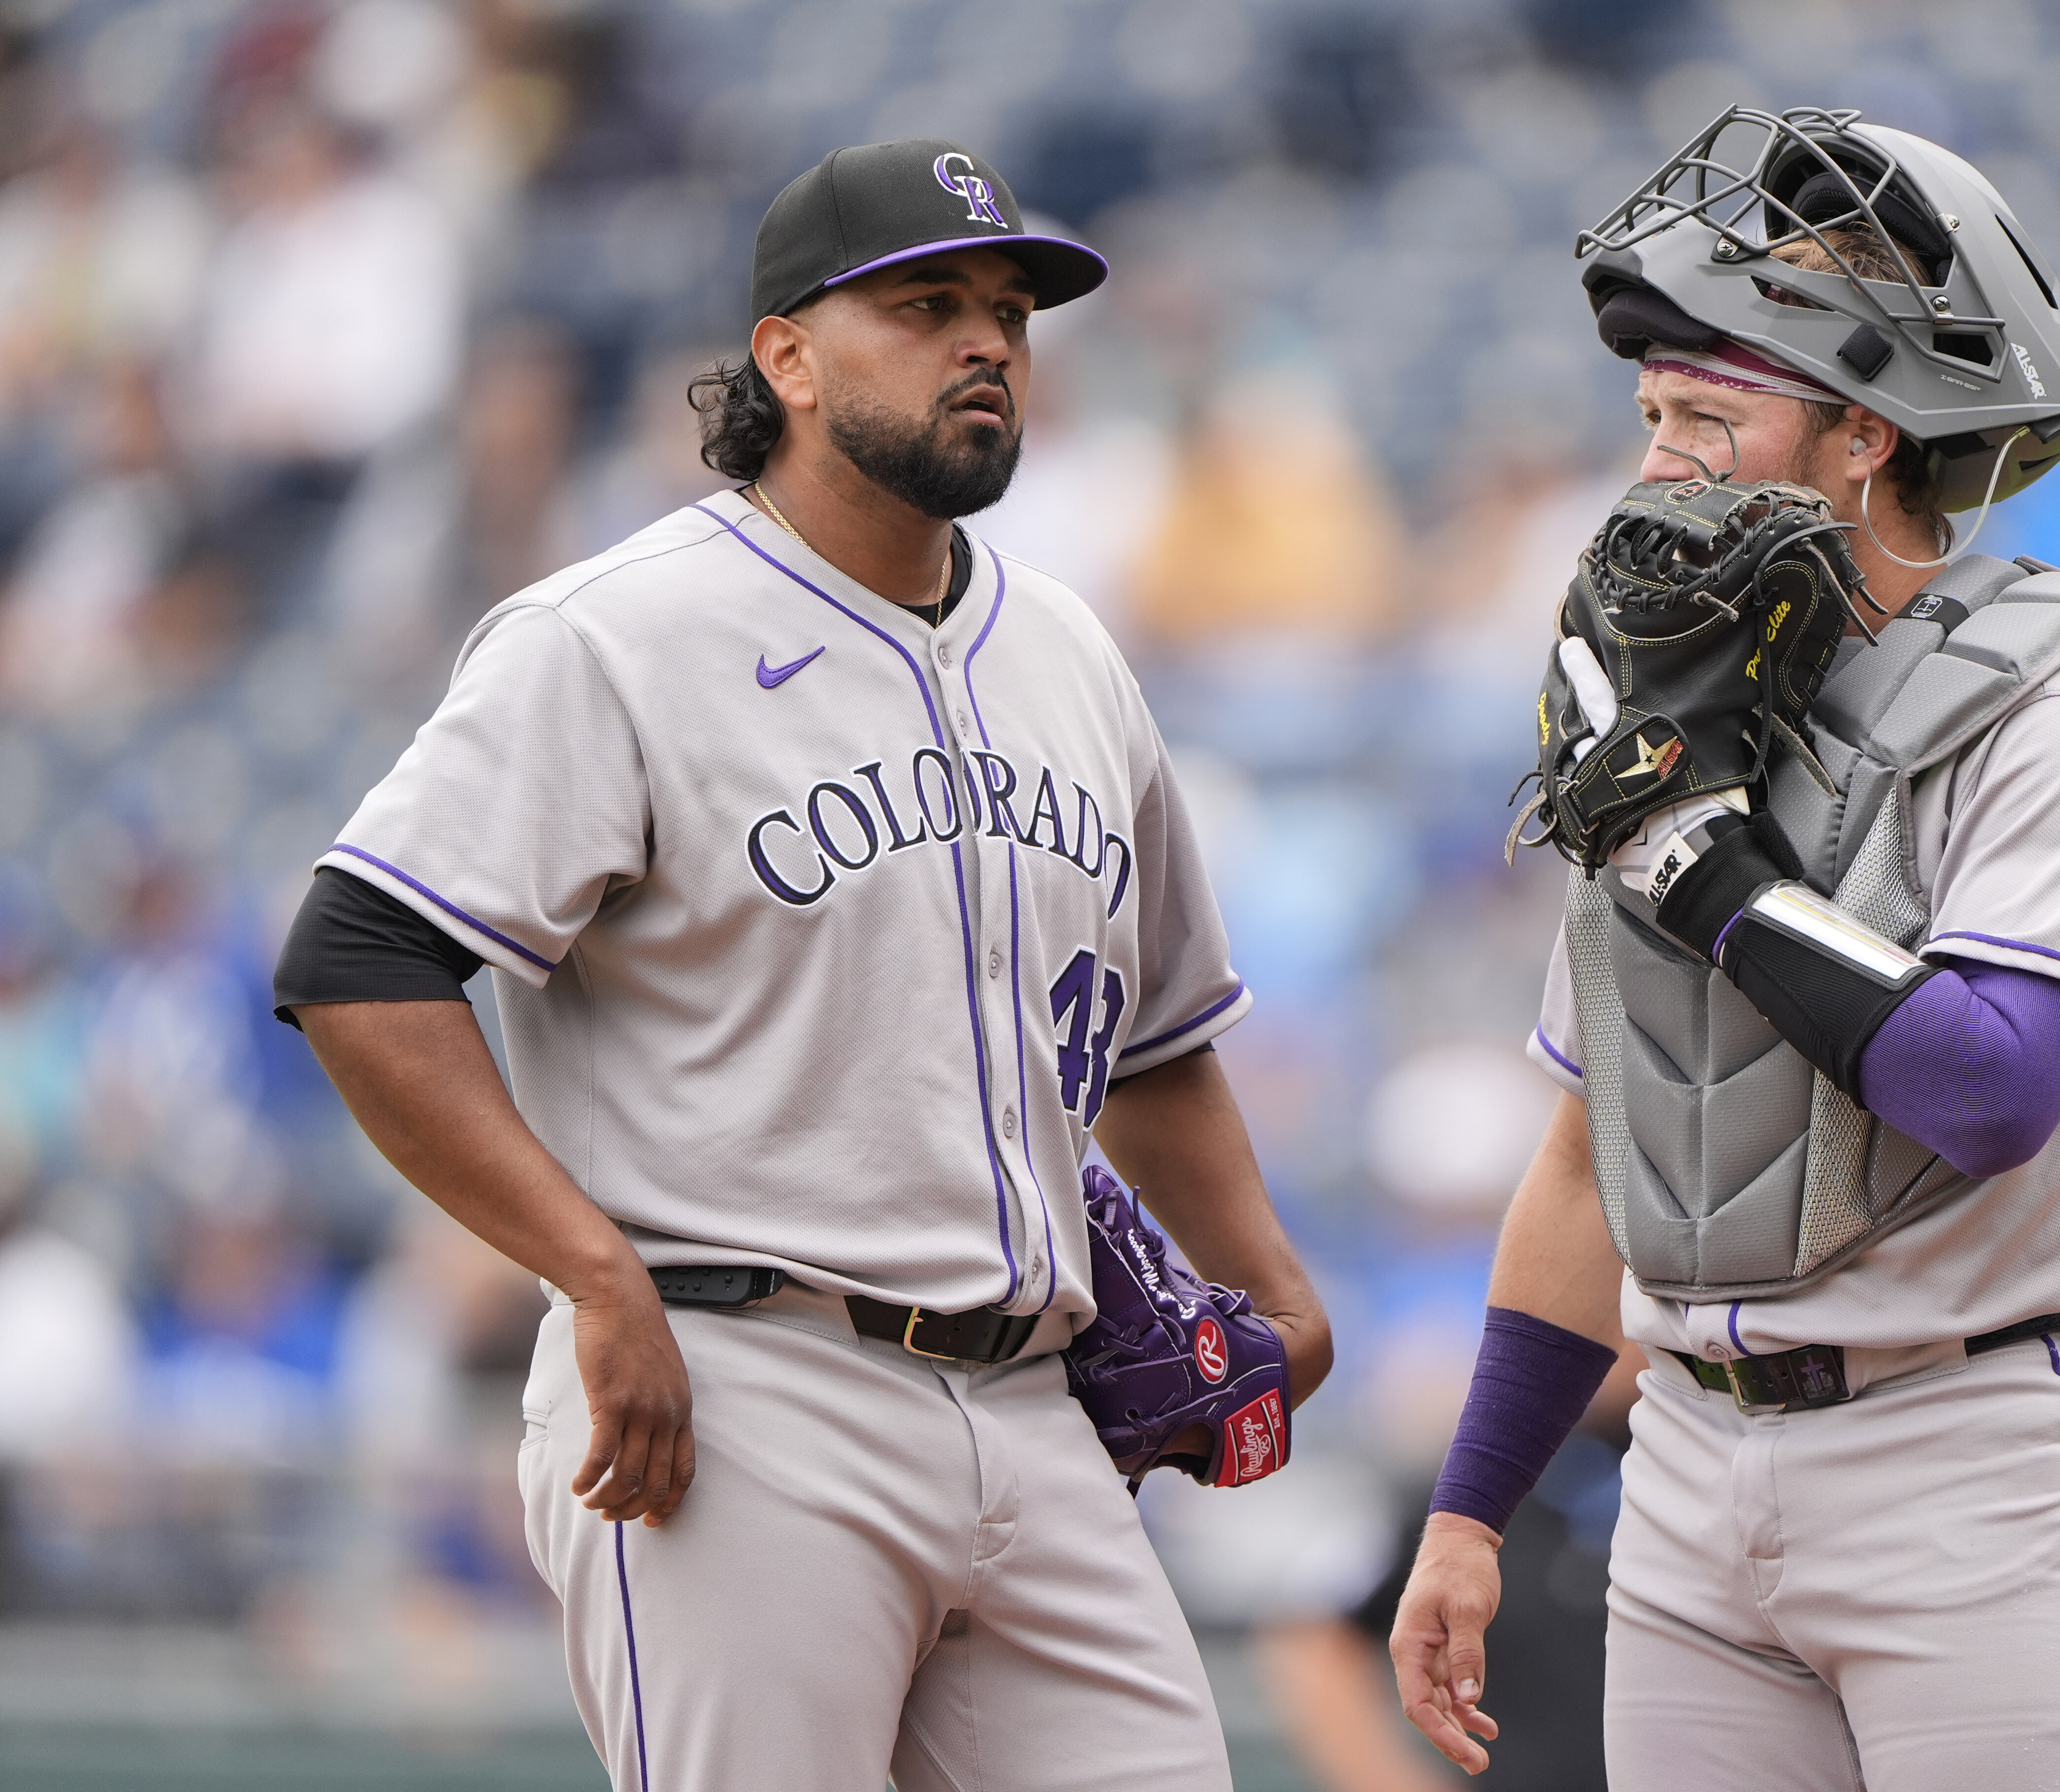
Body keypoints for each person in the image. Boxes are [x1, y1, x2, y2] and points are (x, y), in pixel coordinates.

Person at [272, 138, 1331, 1792]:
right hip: (733, 1387)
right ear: (788, 357)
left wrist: (1262, 1270)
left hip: (1041, 1410)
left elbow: (1158, 1037)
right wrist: (592, 1271)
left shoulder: (1070, 654)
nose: (987, 341)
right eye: (926, 307)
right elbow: (357, 960)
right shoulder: (609, 636)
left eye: (1008, 311)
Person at [1390, 106, 2060, 1790]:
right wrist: (1472, 1508)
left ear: (1865, 438)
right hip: (1688, 1460)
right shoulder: (1676, 724)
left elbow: (1986, 1087)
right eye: (1652, 414)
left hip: (1972, 1444)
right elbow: (1591, 1154)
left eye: (1709, 413)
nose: (1660, 461)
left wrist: (1699, 864)